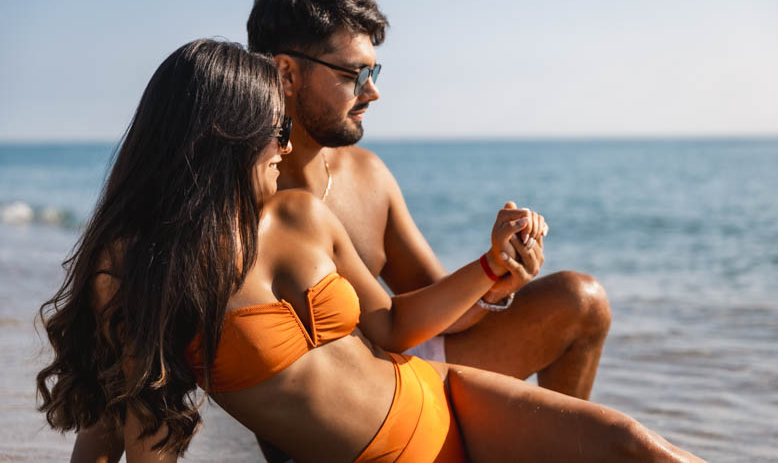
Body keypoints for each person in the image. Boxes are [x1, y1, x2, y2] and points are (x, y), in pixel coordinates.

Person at [38, 39, 702, 463]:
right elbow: (122, 418)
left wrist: (493, 265)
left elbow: (392, 324)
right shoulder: (137, 268)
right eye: (274, 128)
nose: (287, 144)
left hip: (445, 399)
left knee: (636, 446)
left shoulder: (298, 214)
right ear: (223, 136)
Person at [248, 0, 611, 397]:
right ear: (286, 74)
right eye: (355, 74)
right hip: (341, 407)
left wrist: (495, 282)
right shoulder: (246, 194)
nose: (374, 91)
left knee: (581, 300)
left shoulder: (368, 175)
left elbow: (434, 306)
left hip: (403, 369)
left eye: (374, 71)